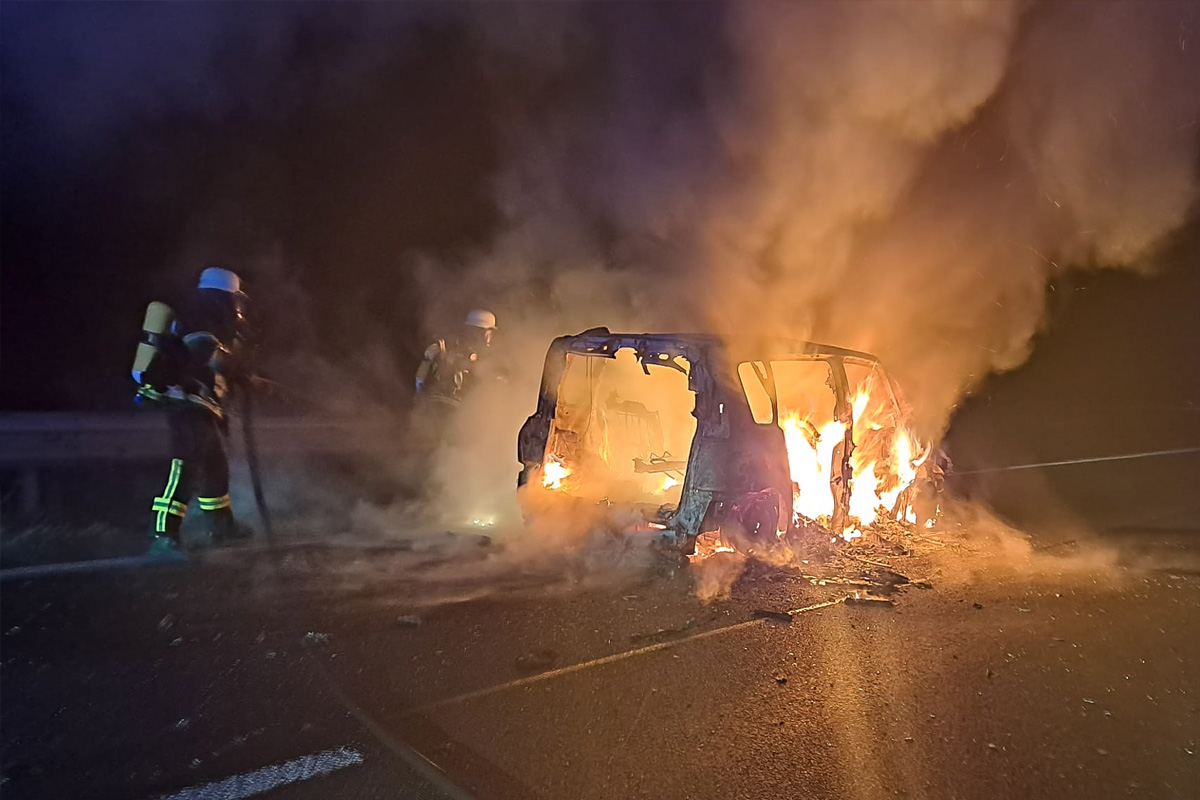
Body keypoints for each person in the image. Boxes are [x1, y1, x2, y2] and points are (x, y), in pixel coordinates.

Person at [139, 267, 254, 557]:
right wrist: (234, 368)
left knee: (216, 466)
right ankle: (163, 534)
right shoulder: (203, 313)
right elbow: (200, 347)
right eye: (235, 299)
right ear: (228, 296)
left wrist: (239, 375)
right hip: (184, 400)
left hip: (200, 404)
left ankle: (222, 526)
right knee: (185, 468)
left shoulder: (207, 313)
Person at [414, 309, 497, 402]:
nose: (488, 338)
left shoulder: (491, 357)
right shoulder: (446, 349)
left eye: (490, 333)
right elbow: (421, 379)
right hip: (446, 405)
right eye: (485, 332)